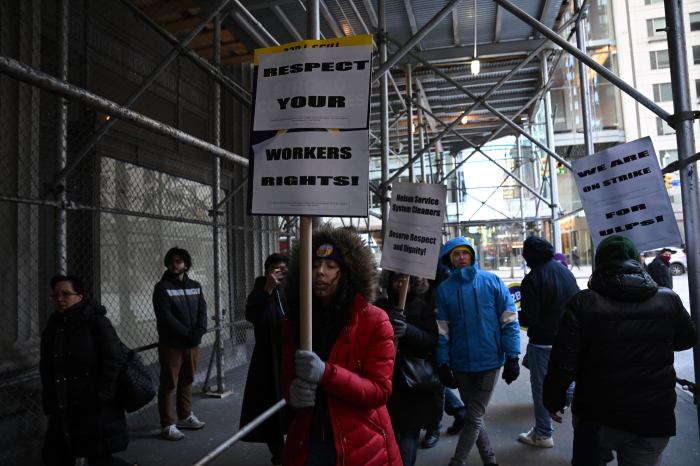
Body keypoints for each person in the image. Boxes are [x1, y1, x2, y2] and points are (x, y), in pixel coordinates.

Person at [543, 235, 696, 466]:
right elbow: (686, 340)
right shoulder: (668, 299)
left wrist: (553, 400)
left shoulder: (583, 303)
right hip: (652, 416)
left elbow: (564, 360)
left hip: (595, 415)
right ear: (637, 260)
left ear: (599, 262)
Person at [282, 227, 402, 466]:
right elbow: (287, 375)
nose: (320, 272)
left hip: (361, 444)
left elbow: (379, 391)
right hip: (309, 442)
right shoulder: (294, 321)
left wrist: (327, 374)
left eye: (330, 266)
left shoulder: (374, 320)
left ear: (347, 272)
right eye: (315, 264)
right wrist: (292, 394)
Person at [435, 237, 521, 466]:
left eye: (465, 253)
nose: (461, 257)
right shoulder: (444, 290)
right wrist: (442, 362)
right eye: (456, 254)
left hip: (490, 361)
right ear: (449, 260)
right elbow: (442, 331)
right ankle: (489, 459)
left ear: (472, 255)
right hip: (460, 363)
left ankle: (458, 461)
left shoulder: (492, 281)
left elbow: (509, 320)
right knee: (476, 415)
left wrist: (513, 356)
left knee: (473, 416)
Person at [40, 274, 133, 466]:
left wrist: (102, 395)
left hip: (92, 403)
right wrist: (50, 397)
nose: (59, 299)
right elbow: (47, 364)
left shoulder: (96, 322)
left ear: (80, 296)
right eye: (55, 295)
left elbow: (114, 359)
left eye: (66, 294)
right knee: (59, 452)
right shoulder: (54, 324)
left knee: (97, 455)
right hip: (63, 402)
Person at [517, 237, 579, 448]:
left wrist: (517, 314)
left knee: (541, 388)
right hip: (569, 339)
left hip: (543, 343)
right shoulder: (565, 272)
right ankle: (567, 402)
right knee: (568, 378)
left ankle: (543, 434)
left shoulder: (532, 279)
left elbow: (530, 318)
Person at [375, 272, 441, 466]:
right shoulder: (380, 307)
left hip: (413, 384)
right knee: (389, 433)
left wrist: (408, 330)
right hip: (386, 379)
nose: (400, 284)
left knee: (409, 435)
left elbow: (431, 340)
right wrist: (386, 321)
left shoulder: (422, 307)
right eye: (396, 279)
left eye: (405, 279)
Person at [239, 253, 289, 465]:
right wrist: (268, 288)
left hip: (288, 354)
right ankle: (279, 453)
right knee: (270, 407)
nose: (280, 274)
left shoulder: (290, 291)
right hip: (268, 359)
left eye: (283, 270)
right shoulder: (260, 291)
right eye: (275, 269)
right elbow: (253, 315)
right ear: (267, 271)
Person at [153, 247, 207, 440]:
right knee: (168, 384)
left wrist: (200, 331)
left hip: (191, 344)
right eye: (172, 261)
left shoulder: (196, 285)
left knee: (187, 379)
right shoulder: (162, 288)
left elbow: (202, 310)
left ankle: (185, 417)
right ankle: (167, 424)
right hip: (172, 344)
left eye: (179, 261)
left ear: (186, 264)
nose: (175, 264)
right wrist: (188, 334)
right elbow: (165, 318)